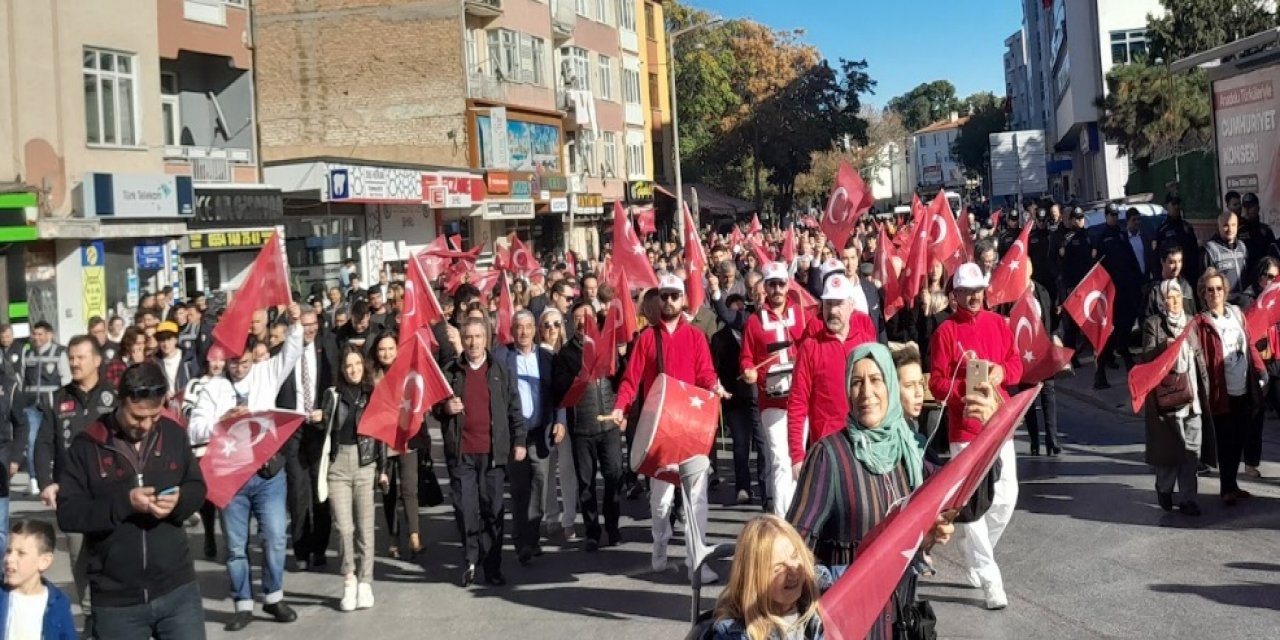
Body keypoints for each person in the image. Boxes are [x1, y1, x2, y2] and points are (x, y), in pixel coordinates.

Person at [788, 344, 960, 636]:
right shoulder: (829, 457)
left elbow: (960, 492)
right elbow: (791, 544)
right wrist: (836, 585)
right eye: (857, 382)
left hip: (901, 623)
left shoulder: (908, 451)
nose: (866, 392)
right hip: (850, 627)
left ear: (889, 385)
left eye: (876, 380)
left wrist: (986, 428)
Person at [57, 363, 207, 639]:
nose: (147, 425)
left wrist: (180, 502)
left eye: (154, 416)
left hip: (178, 591)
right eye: (138, 417)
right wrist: (123, 504)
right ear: (120, 400)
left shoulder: (173, 434)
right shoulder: (87, 445)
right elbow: (68, 513)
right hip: (117, 602)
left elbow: (197, 486)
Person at [188, 303, 303, 631]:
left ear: (254, 356)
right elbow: (193, 428)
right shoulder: (212, 387)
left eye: (245, 361)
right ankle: (242, 602)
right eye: (233, 361)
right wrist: (220, 421)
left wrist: (294, 322)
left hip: (268, 473)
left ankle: (274, 595)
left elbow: (293, 351)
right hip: (232, 477)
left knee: (276, 536)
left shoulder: (267, 372)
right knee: (236, 545)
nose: (239, 367)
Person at [609, 274, 729, 584]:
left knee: (697, 498)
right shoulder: (647, 339)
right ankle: (660, 544)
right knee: (661, 502)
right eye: (664, 296)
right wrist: (620, 406)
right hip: (659, 431)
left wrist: (716, 387)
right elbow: (630, 380)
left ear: (683, 299)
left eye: (674, 296)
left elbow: (705, 374)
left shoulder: (695, 337)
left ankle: (696, 562)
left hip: (691, 428)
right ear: (658, 300)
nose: (669, 301)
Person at [928, 262, 1022, 610]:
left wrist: (1000, 372)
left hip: (999, 421)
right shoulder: (945, 333)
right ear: (954, 296)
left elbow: (1016, 364)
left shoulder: (999, 324)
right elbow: (936, 382)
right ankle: (990, 578)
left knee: (1006, 496)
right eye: (967, 291)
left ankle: (976, 554)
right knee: (974, 507)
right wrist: (961, 395)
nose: (974, 296)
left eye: (978, 290)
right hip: (965, 429)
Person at [435, 318, 527, 587]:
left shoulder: (499, 369)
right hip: (462, 453)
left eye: (477, 336)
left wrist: (519, 440)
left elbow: (514, 407)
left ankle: (492, 565)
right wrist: (444, 409)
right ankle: (470, 559)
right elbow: (436, 408)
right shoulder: (451, 371)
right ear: (462, 340)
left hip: (492, 455)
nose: (473, 342)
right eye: (468, 337)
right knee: (465, 509)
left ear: (486, 339)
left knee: (493, 510)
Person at [28, 335, 112, 622]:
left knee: (113, 554)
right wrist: (45, 482)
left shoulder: (114, 397)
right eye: (71, 358)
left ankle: (114, 613)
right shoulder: (58, 399)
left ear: (97, 360)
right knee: (79, 558)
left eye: (81, 357)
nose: (74, 363)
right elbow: (43, 444)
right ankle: (90, 616)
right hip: (72, 494)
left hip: (110, 492)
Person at [786, 274, 877, 485]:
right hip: (828, 450)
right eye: (828, 304)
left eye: (839, 304)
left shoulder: (866, 344)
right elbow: (797, 403)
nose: (833, 311)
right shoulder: (810, 347)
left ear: (851, 305)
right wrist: (797, 455)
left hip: (866, 443)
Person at [313, 346, 385, 611]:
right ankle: (349, 579)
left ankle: (366, 582)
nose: (353, 369)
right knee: (344, 528)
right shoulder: (332, 396)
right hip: (338, 466)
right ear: (342, 370)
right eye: (348, 366)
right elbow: (326, 425)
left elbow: (381, 434)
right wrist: (319, 419)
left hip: (365, 464)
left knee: (366, 527)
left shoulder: (372, 394)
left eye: (357, 364)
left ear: (363, 366)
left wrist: (383, 468)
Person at [552, 301, 624, 551]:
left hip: (609, 427)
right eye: (578, 318)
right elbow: (558, 389)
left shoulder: (608, 348)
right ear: (572, 322)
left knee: (615, 476)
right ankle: (592, 531)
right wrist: (581, 375)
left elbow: (622, 380)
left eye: (588, 317)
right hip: (582, 427)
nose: (583, 322)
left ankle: (613, 527)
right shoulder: (565, 354)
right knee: (586, 483)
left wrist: (622, 411)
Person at [1140, 280, 1213, 517]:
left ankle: (1188, 498)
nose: (1174, 302)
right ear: (1161, 300)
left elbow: (1199, 357)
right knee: (1170, 450)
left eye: (1178, 297)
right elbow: (1147, 356)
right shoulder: (1154, 324)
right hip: (1168, 398)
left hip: (1192, 396)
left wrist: (1206, 389)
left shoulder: (1191, 323)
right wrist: (1165, 347)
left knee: (1192, 450)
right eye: (1169, 297)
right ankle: (1164, 487)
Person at [741, 263, 807, 515]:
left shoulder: (801, 315)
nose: (777, 289)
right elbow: (747, 358)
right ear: (765, 288)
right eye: (772, 284)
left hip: (800, 400)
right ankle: (783, 521)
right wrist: (749, 371)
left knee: (797, 460)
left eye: (781, 283)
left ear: (787, 284)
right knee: (780, 459)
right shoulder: (754, 322)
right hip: (772, 402)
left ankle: (798, 514)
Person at [1196, 268, 1264, 507]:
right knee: (1226, 441)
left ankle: (1233, 484)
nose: (1215, 293)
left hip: (1244, 386)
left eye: (1219, 289)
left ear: (1225, 291)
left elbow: (1249, 343)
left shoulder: (1236, 313)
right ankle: (1226, 488)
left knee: (1240, 438)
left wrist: (1260, 369)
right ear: (1203, 294)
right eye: (1210, 290)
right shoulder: (1201, 322)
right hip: (1220, 391)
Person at [497, 311, 561, 563]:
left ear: (535, 329)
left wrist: (561, 422)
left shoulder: (547, 357)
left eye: (527, 327)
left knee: (540, 485)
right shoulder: (502, 356)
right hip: (516, 435)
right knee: (520, 488)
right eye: (518, 328)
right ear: (512, 331)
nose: (523, 333)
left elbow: (559, 393)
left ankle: (532, 537)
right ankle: (521, 540)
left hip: (540, 433)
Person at [709, 515, 824, 640]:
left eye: (795, 555)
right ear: (754, 580)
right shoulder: (735, 634)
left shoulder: (821, 587)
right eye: (778, 567)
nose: (793, 569)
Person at [368, 333, 423, 560]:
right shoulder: (371, 377)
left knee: (409, 488)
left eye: (391, 348)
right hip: (383, 442)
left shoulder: (407, 371)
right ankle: (393, 536)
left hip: (407, 438)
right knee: (388, 491)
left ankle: (414, 534)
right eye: (382, 349)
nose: (387, 353)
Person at [713, 294, 768, 509]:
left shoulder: (755, 332)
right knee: (741, 445)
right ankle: (743, 488)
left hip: (756, 397)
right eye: (733, 310)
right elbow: (715, 369)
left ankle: (765, 490)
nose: (739, 313)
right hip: (734, 399)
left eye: (741, 308)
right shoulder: (719, 339)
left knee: (762, 445)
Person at [183, 346, 227, 560]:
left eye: (221, 360)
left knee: (225, 494)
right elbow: (187, 410)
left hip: (225, 447)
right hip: (201, 445)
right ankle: (210, 533)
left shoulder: (228, 384)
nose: (217, 364)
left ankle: (229, 536)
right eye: (213, 360)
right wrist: (210, 422)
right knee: (207, 496)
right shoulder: (195, 383)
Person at [0, 520, 77, 640]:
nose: (10, 558)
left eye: (21, 553)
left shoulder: (58, 602)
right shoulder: (3, 596)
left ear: (44, 561)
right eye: (9, 551)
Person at [537, 308, 576, 540]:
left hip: (567, 419)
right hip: (545, 420)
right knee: (548, 472)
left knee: (567, 471)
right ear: (540, 330)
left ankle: (569, 518)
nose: (552, 329)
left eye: (556, 324)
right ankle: (551, 516)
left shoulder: (568, 353)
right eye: (547, 325)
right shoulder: (538, 355)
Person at [19, 322, 70, 495]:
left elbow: (66, 379)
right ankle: (33, 479)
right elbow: (23, 379)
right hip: (32, 406)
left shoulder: (59, 352)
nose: (37, 338)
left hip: (52, 406)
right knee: (32, 442)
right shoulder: (28, 353)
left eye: (40, 334)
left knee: (57, 442)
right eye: (35, 334)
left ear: (49, 335)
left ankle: (57, 475)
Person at [1202, 211, 1248, 297]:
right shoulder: (1210, 250)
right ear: (1218, 227)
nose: (1230, 229)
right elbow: (1204, 283)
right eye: (1225, 225)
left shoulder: (1242, 247)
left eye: (1233, 225)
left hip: (1243, 302)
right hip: (1224, 303)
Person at [151, 322, 199, 399]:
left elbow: (196, 382)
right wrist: (163, 394)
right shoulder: (154, 362)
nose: (166, 344)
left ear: (176, 340)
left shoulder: (188, 359)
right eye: (162, 340)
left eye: (169, 339)